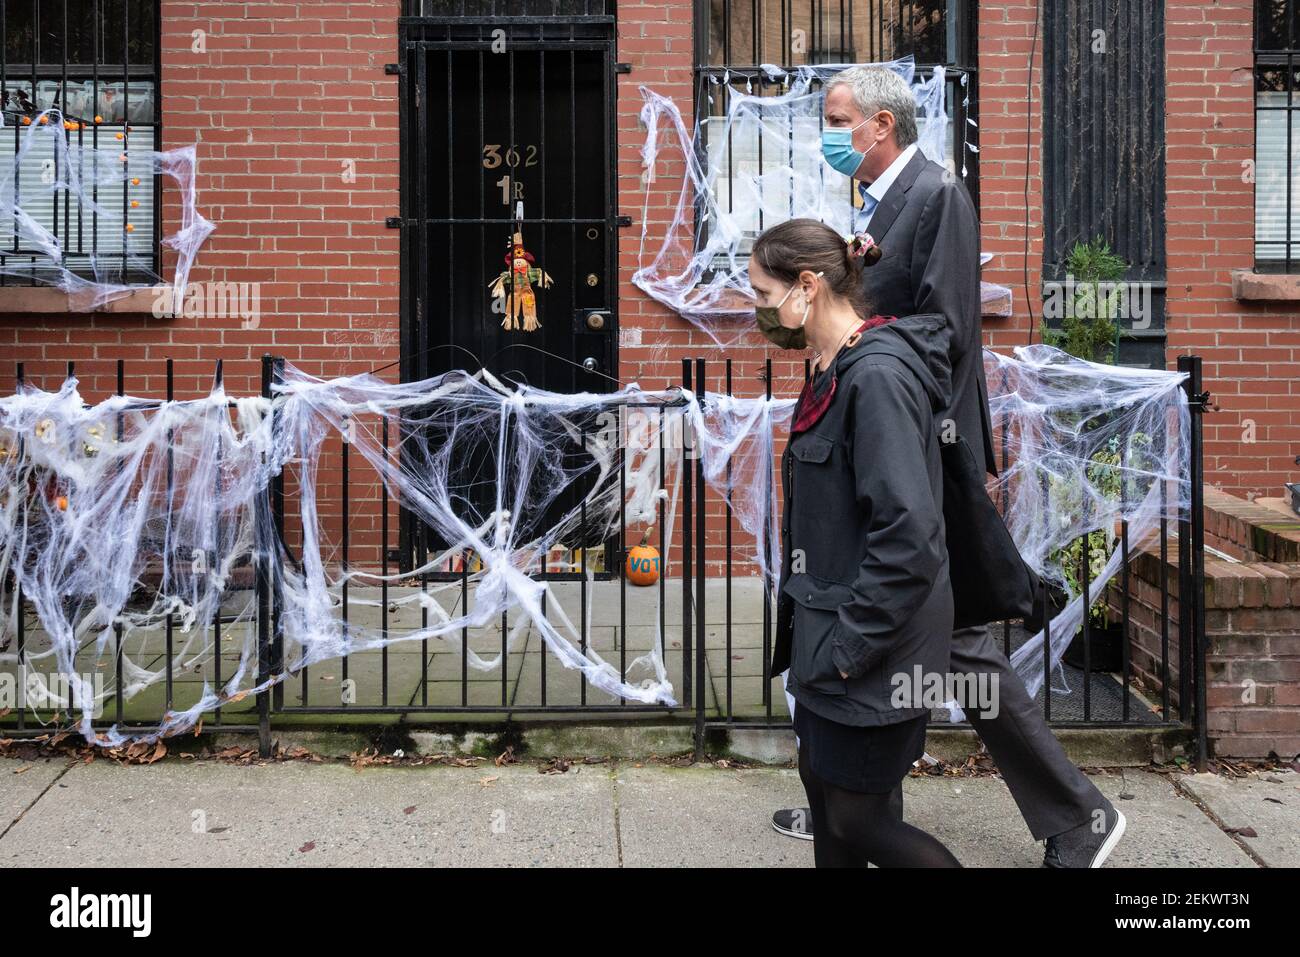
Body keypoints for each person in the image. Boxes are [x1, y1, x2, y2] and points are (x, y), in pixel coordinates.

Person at [768, 65, 1126, 869]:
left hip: (922, 451)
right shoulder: (877, 202)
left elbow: (950, 332)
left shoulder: (939, 195)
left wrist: (870, 376)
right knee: (936, 644)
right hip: (885, 449)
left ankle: (1076, 815)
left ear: (882, 125)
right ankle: (848, 799)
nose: (827, 132)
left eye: (837, 118)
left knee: (959, 649)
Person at [751, 216, 961, 868]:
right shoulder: (831, 368)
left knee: (858, 817)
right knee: (827, 799)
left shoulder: (876, 379)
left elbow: (911, 534)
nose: (759, 311)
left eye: (764, 294)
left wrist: (846, 648)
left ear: (806, 286)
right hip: (831, 647)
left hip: (869, 652)